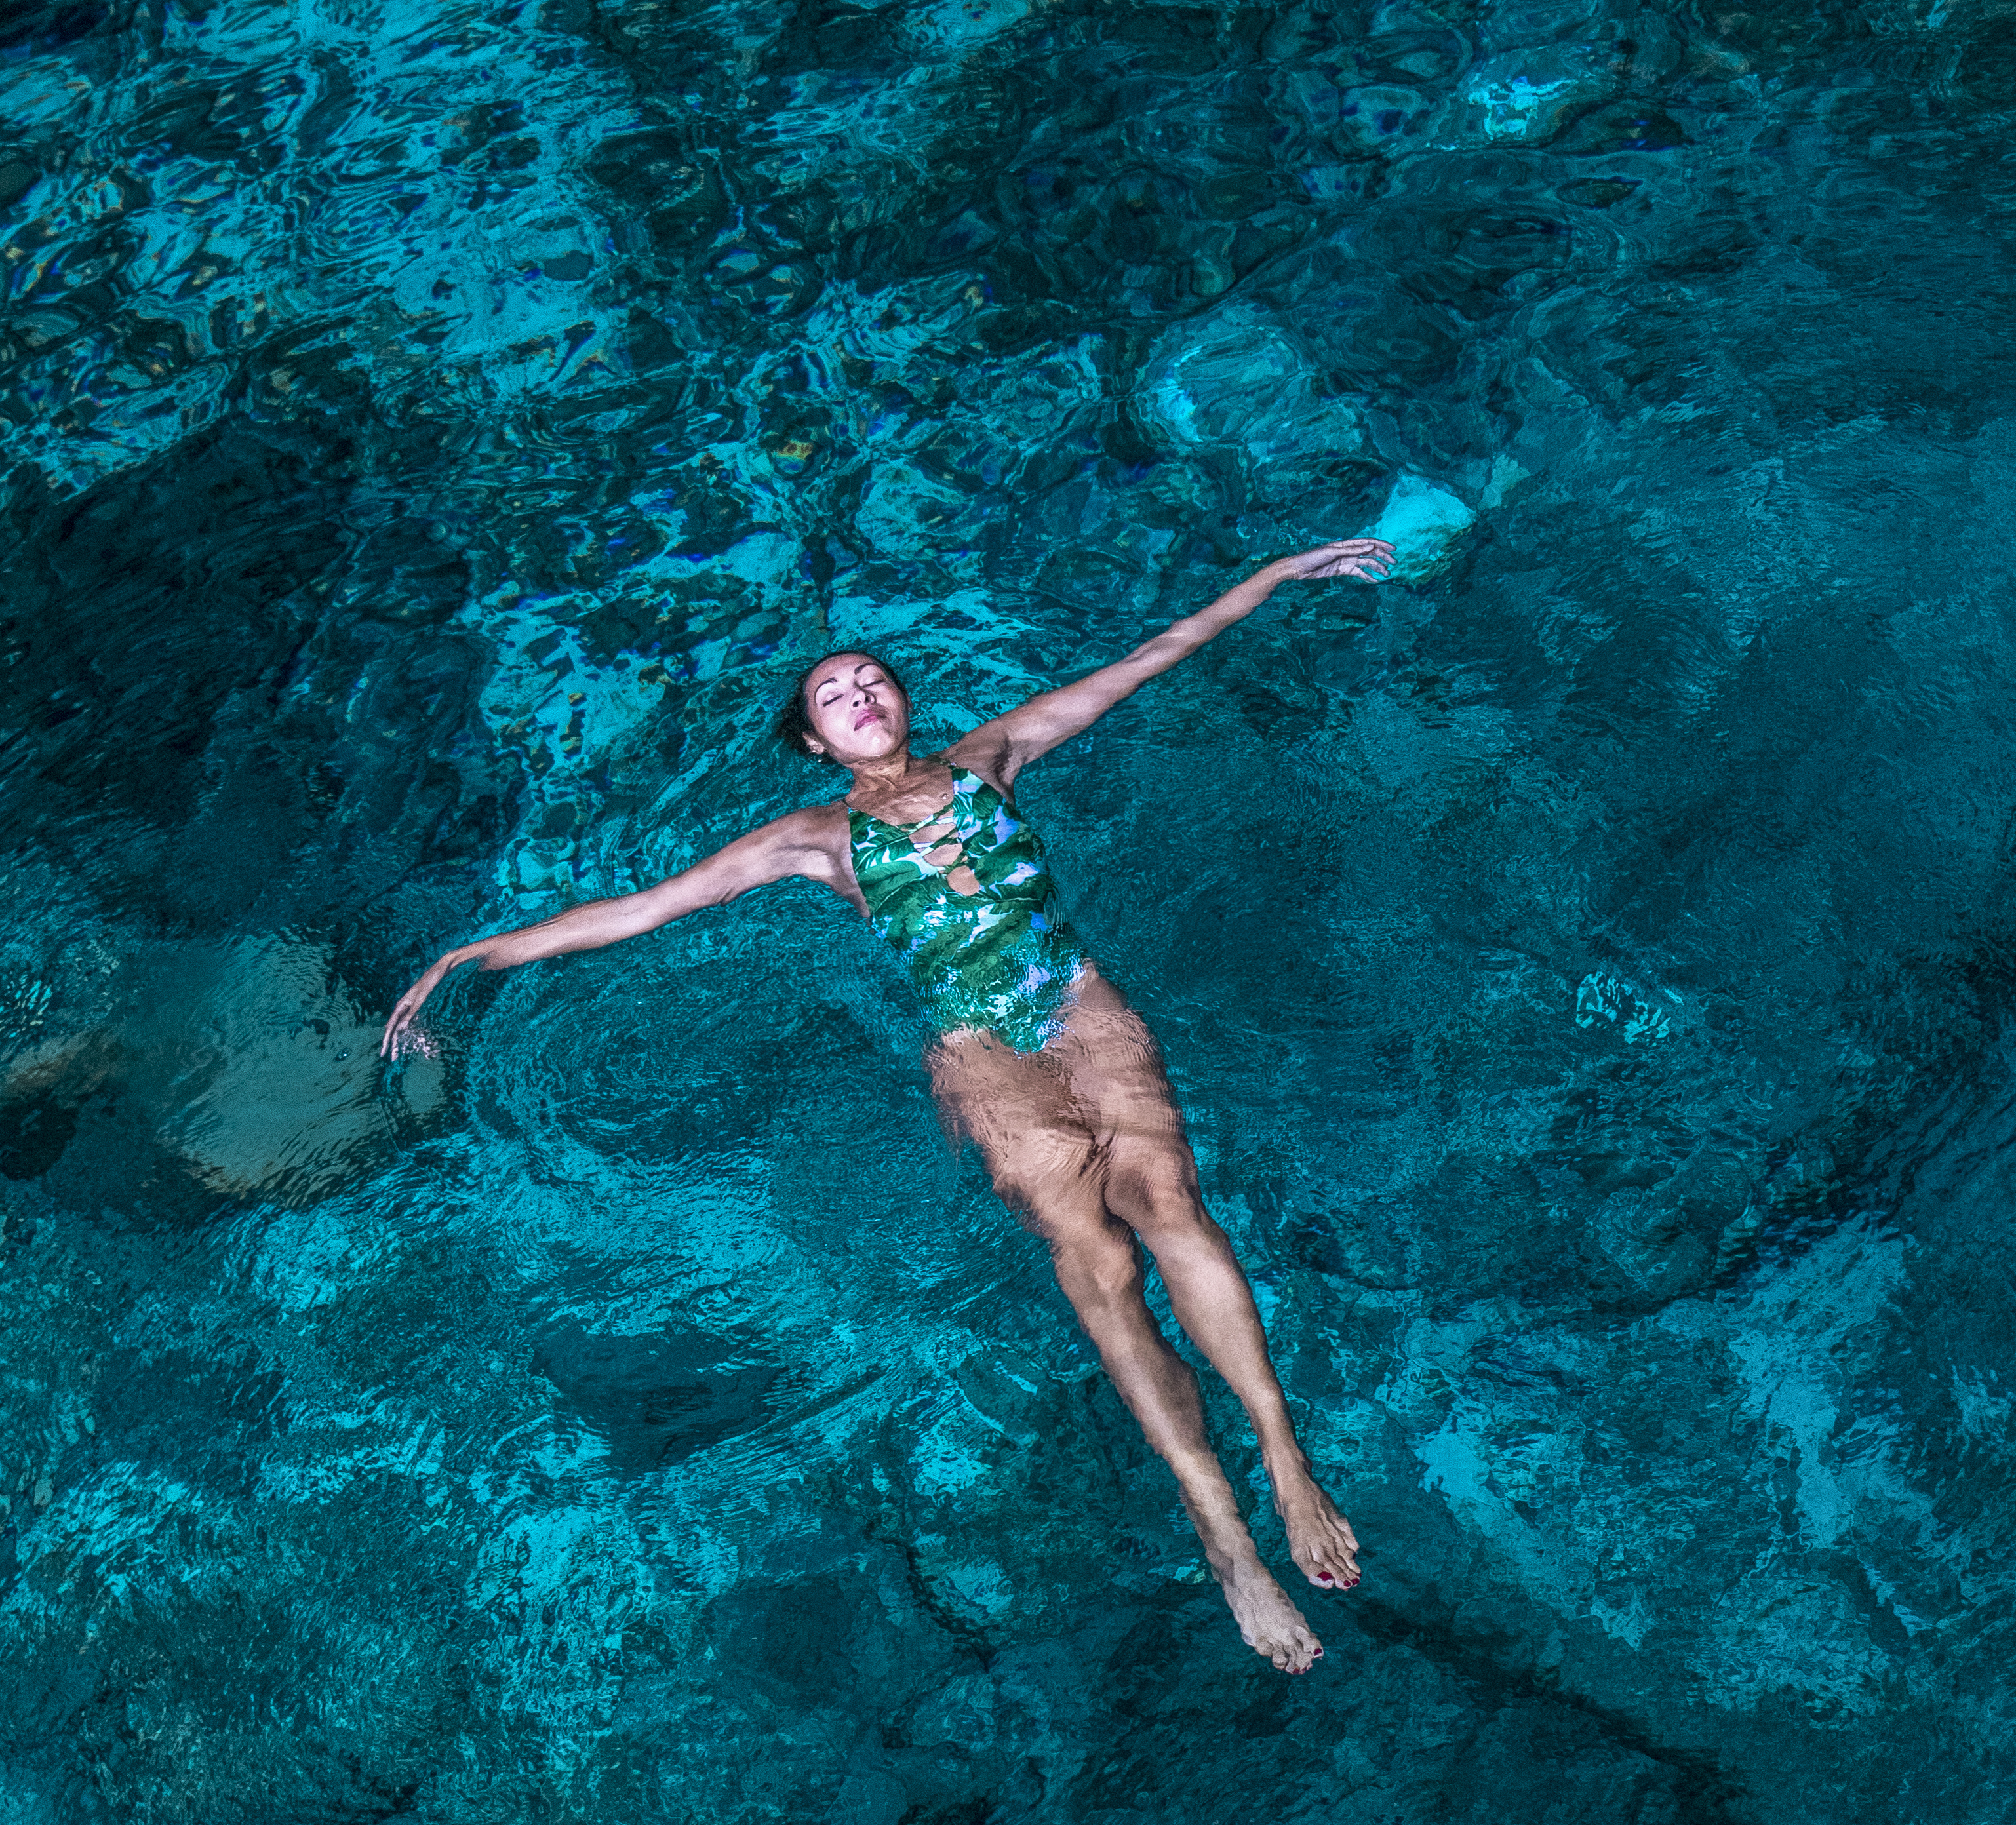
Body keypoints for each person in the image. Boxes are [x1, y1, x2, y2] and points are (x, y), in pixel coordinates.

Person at [382, 538, 1394, 1671]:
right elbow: (639, 909)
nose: (859, 696)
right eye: (833, 697)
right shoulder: (810, 840)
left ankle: (1286, 1457)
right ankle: (1221, 1526)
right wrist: (465, 958)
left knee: (1170, 1205)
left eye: (871, 680)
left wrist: (1279, 572)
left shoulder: (994, 752)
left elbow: (1153, 653)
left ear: (903, 702)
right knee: (1094, 1259)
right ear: (817, 743)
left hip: (1080, 1008)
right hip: (978, 1054)